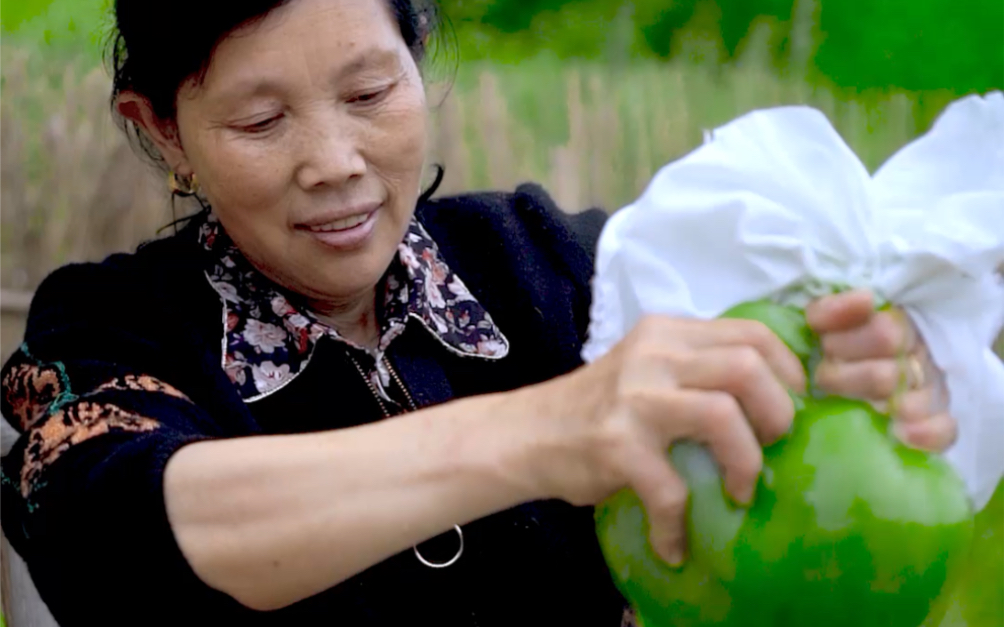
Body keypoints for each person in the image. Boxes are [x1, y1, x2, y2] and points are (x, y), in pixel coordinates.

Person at [0, 1, 957, 625]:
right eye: (261, 121)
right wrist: (548, 431)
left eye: (370, 92)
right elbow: (121, 531)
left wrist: (862, 375)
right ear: (160, 131)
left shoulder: (566, 265)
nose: (334, 159)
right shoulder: (103, 331)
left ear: (419, 67)